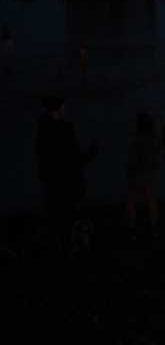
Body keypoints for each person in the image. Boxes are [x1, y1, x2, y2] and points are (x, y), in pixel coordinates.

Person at [36, 96, 97, 252]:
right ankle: (70, 247)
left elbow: (41, 157)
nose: (65, 110)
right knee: (70, 217)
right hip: (68, 181)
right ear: (58, 109)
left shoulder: (42, 129)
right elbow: (74, 158)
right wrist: (91, 153)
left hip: (51, 181)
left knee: (56, 218)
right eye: (63, 107)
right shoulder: (65, 129)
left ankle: (57, 247)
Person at [125, 112, 161, 234]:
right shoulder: (153, 138)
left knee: (133, 200)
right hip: (149, 172)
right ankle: (153, 226)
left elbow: (132, 159)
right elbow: (156, 155)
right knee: (150, 199)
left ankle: (133, 227)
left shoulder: (136, 139)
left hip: (138, 173)